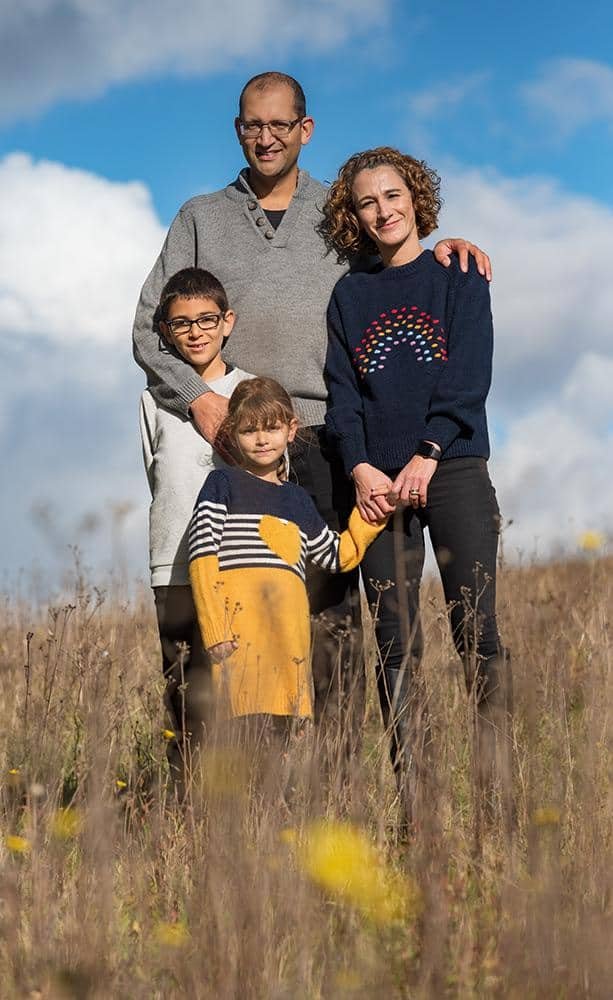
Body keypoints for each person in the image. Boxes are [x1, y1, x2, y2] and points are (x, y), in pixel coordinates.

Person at [132, 70, 492, 748]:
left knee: (331, 624)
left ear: (305, 129)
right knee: (225, 612)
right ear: (237, 128)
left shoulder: (338, 213)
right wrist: (200, 398)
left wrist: (451, 248)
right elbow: (148, 327)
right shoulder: (199, 218)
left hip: (326, 441)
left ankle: (334, 778)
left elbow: (398, 252)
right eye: (250, 125)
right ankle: (220, 781)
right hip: (231, 442)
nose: (264, 138)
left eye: (278, 125)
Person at [320, 147, 512, 828]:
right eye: (368, 201)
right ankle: (416, 811)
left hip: (451, 469)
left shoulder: (456, 273)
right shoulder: (349, 295)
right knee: (396, 643)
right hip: (376, 489)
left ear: (415, 199)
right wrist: (361, 467)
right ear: (354, 214)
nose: (383, 210)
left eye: (393, 195)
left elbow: (468, 375)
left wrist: (428, 454)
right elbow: (342, 395)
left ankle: (496, 809)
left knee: (476, 632)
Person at [188, 377, 385, 731]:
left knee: (280, 747)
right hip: (236, 644)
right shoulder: (222, 485)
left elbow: (336, 556)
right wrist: (215, 628)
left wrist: (372, 516)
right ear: (232, 434)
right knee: (241, 745)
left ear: (291, 430)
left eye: (272, 428)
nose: (262, 439)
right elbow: (202, 556)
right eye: (249, 431)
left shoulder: (296, 499)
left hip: (287, 646)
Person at [140, 267, 253, 780]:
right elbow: (154, 472)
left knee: (245, 692)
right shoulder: (153, 399)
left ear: (227, 322)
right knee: (186, 696)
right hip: (176, 567)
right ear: (164, 332)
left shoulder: (251, 390)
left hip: (240, 563)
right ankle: (191, 812)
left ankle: (249, 803)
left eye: (207, 319)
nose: (195, 332)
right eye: (181, 323)